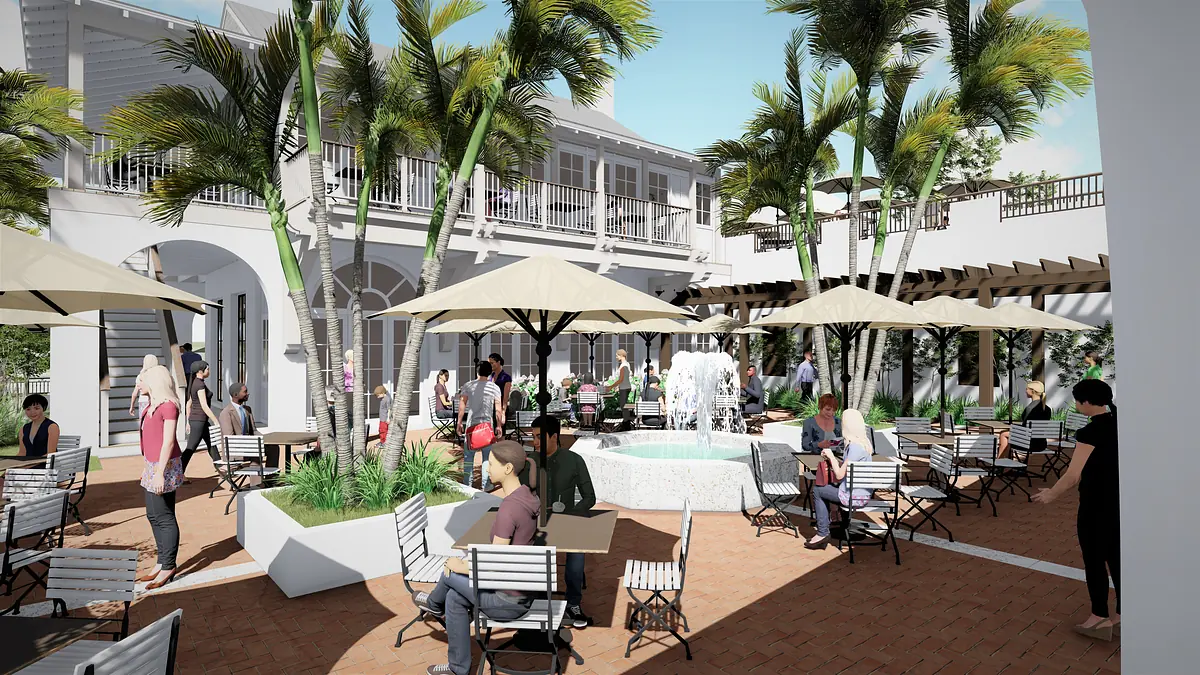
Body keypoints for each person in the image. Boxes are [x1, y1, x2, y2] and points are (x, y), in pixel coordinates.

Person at [415, 442, 537, 675]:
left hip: (506, 601)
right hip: (521, 590)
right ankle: (458, 668)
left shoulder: (508, 509)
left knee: (449, 573)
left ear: (508, 468)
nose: (487, 468)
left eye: (491, 464)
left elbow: (493, 563)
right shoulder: (528, 497)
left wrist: (460, 566)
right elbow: (501, 555)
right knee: (454, 599)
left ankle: (432, 605)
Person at [1033, 379, 1120, 640]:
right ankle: (1122, 614)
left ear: (1086, 402)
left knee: (1094, 561)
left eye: (1078, 400)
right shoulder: (1121, 425)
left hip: (1095, 505)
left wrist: (1051, 493)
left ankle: (1099, 617)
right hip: (1119, 503)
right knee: (1117, 559)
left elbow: (1072, 476)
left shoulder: (1089, 432)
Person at [522, 415, 596, 629]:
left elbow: (589, 497)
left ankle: (573, 603)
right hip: (536, 523)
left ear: (554, 436)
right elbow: (520, 495)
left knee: (577, 552)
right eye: (533, 437)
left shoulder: (574, 460)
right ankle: (536, 600)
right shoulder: (529, 462)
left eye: (539, 437)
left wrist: (572, 514)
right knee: (528, 551)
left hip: (567, 521)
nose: (534, 442)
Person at [137, 365, 184, 590]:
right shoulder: (151, 405)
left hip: (164, 466)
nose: (139, 385)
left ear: (155, 382)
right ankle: (161, 561)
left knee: (164, 516)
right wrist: (148, 467)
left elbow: (169, 442)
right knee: (152, 515)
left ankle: (168, 565)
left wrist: (158, 473)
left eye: (142, 381)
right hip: (153, 465)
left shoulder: (168, 406)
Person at [804, 408, 874, 550]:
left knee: (818, 490)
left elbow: (840, 475)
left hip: (853, 496)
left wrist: (831, 456)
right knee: (830, 487)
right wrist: (836, 461)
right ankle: (841, 524)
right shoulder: (865, 444)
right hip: (863, 493)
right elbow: (847, 470)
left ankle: (822, 533)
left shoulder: (854, 447)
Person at [459, 361, 504, 490]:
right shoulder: (494, 387)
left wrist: (459, 423)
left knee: (468, 456)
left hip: (471, 425)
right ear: (490, 372)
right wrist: (499, 425)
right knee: (486, 457)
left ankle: (467, 484)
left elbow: (462, 405)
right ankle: (486, 485)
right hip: (487, 426)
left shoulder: (468, 385)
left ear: (477, 371)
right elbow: (498, 409)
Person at [182, 360, 220, 475]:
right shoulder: (199, 385)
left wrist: (188, 422)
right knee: (190, 448)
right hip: (199, 421)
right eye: (207, 369)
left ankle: (220, 466)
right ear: (200, 371)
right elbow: (204, 405)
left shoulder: (194, 382)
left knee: (211, 443)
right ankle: (178, 473)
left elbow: (189, 403)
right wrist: (216, 421)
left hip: (199, 421)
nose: (209, 371)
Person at [998, 380, 1052, 457]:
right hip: (1041, 445)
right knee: (1010, 435)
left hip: (1027, 444)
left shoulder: (1030, 408)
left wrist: (1013, 427)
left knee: (1003, 434)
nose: (1025, 391)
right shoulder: (1047, 409)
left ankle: (999, 461)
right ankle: (1006, 460)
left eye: (1027, 389)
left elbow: (1025, 428)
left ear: (1032, 391)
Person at [18, 393, 59, 458]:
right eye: (28, 409)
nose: (32, 412)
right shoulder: (23, 429)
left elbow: (51, 454)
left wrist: (32, 462)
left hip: (46, 462)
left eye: (36, 408)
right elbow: (22, 453)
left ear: (44, 408)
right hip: (28, 463)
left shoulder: (52, 427)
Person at [129, 354, 158, 419]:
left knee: (143, 420)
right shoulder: (157, 376)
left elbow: (135, 393)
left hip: (143, 401)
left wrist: (132, 406)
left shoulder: (140, 376)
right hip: (155, 400)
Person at [487, 353, 513, 419]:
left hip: (501, 407)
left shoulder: (506, 377)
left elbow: (506, 397)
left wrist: (503, 412)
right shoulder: (491, 376)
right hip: (491, 408)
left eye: (492, 363)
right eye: (489, 363)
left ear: (498, 362)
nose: (490, 365)